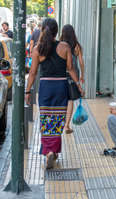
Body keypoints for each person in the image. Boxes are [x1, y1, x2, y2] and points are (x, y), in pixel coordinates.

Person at [25, 18, 83, 169]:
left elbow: (32, 73)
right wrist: (78, 85)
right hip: (60, 87)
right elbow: (71, 69)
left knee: (45, 120)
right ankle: (53, 151)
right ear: (57, 31)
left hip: (45, 87)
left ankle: (48, 151)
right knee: (57, 120)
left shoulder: (37, 49)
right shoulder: (64, 47)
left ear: (43, 29)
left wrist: (27, 91)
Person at [60, 24, 85, 134]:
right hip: (73, 75)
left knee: (62, 99)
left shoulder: (61, 45)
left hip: (61, 74)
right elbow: (81, 62)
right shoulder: (76, 46)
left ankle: (60, 123)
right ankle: (66, 125)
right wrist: (82, 76)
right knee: (70, 100)